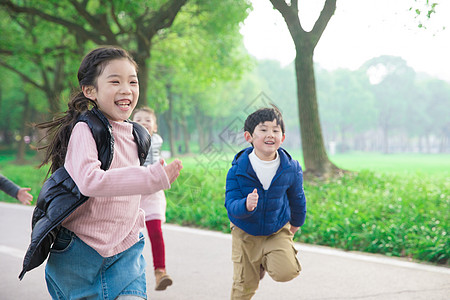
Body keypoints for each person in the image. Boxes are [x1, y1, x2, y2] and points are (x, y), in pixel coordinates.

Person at [32, 46, 182, 300]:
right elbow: (91, 181)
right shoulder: (85, 130)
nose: (127, 89)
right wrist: (150, 179)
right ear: (90, 91)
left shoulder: (139, 135)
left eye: (132, 82)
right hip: (79, 254)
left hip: (125, 251)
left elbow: (128, 189)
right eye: (115, 81)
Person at [225, 106, 307, 299]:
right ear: (249, 137)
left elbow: (297, 199)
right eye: (263, 130)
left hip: (276, 229)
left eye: (276, 130)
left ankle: (264, 261)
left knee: (287, 271)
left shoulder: (290, 168)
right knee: (244, 286)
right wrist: (245, 205)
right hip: (245, 231)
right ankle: (254, 266)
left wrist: (295, 224)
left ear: (283, 137)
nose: (270, 134)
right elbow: (230, 203)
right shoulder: (237, 170)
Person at [132, 107, 173, 291]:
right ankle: (130, 272)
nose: (142, 123)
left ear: (155, 127)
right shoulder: (126, 141)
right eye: (138, 119)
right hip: (133, 194)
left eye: (147, 120)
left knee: (155, 232)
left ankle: (160, 272)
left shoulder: (156, 142)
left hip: (153, 194)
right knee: (132, 236)